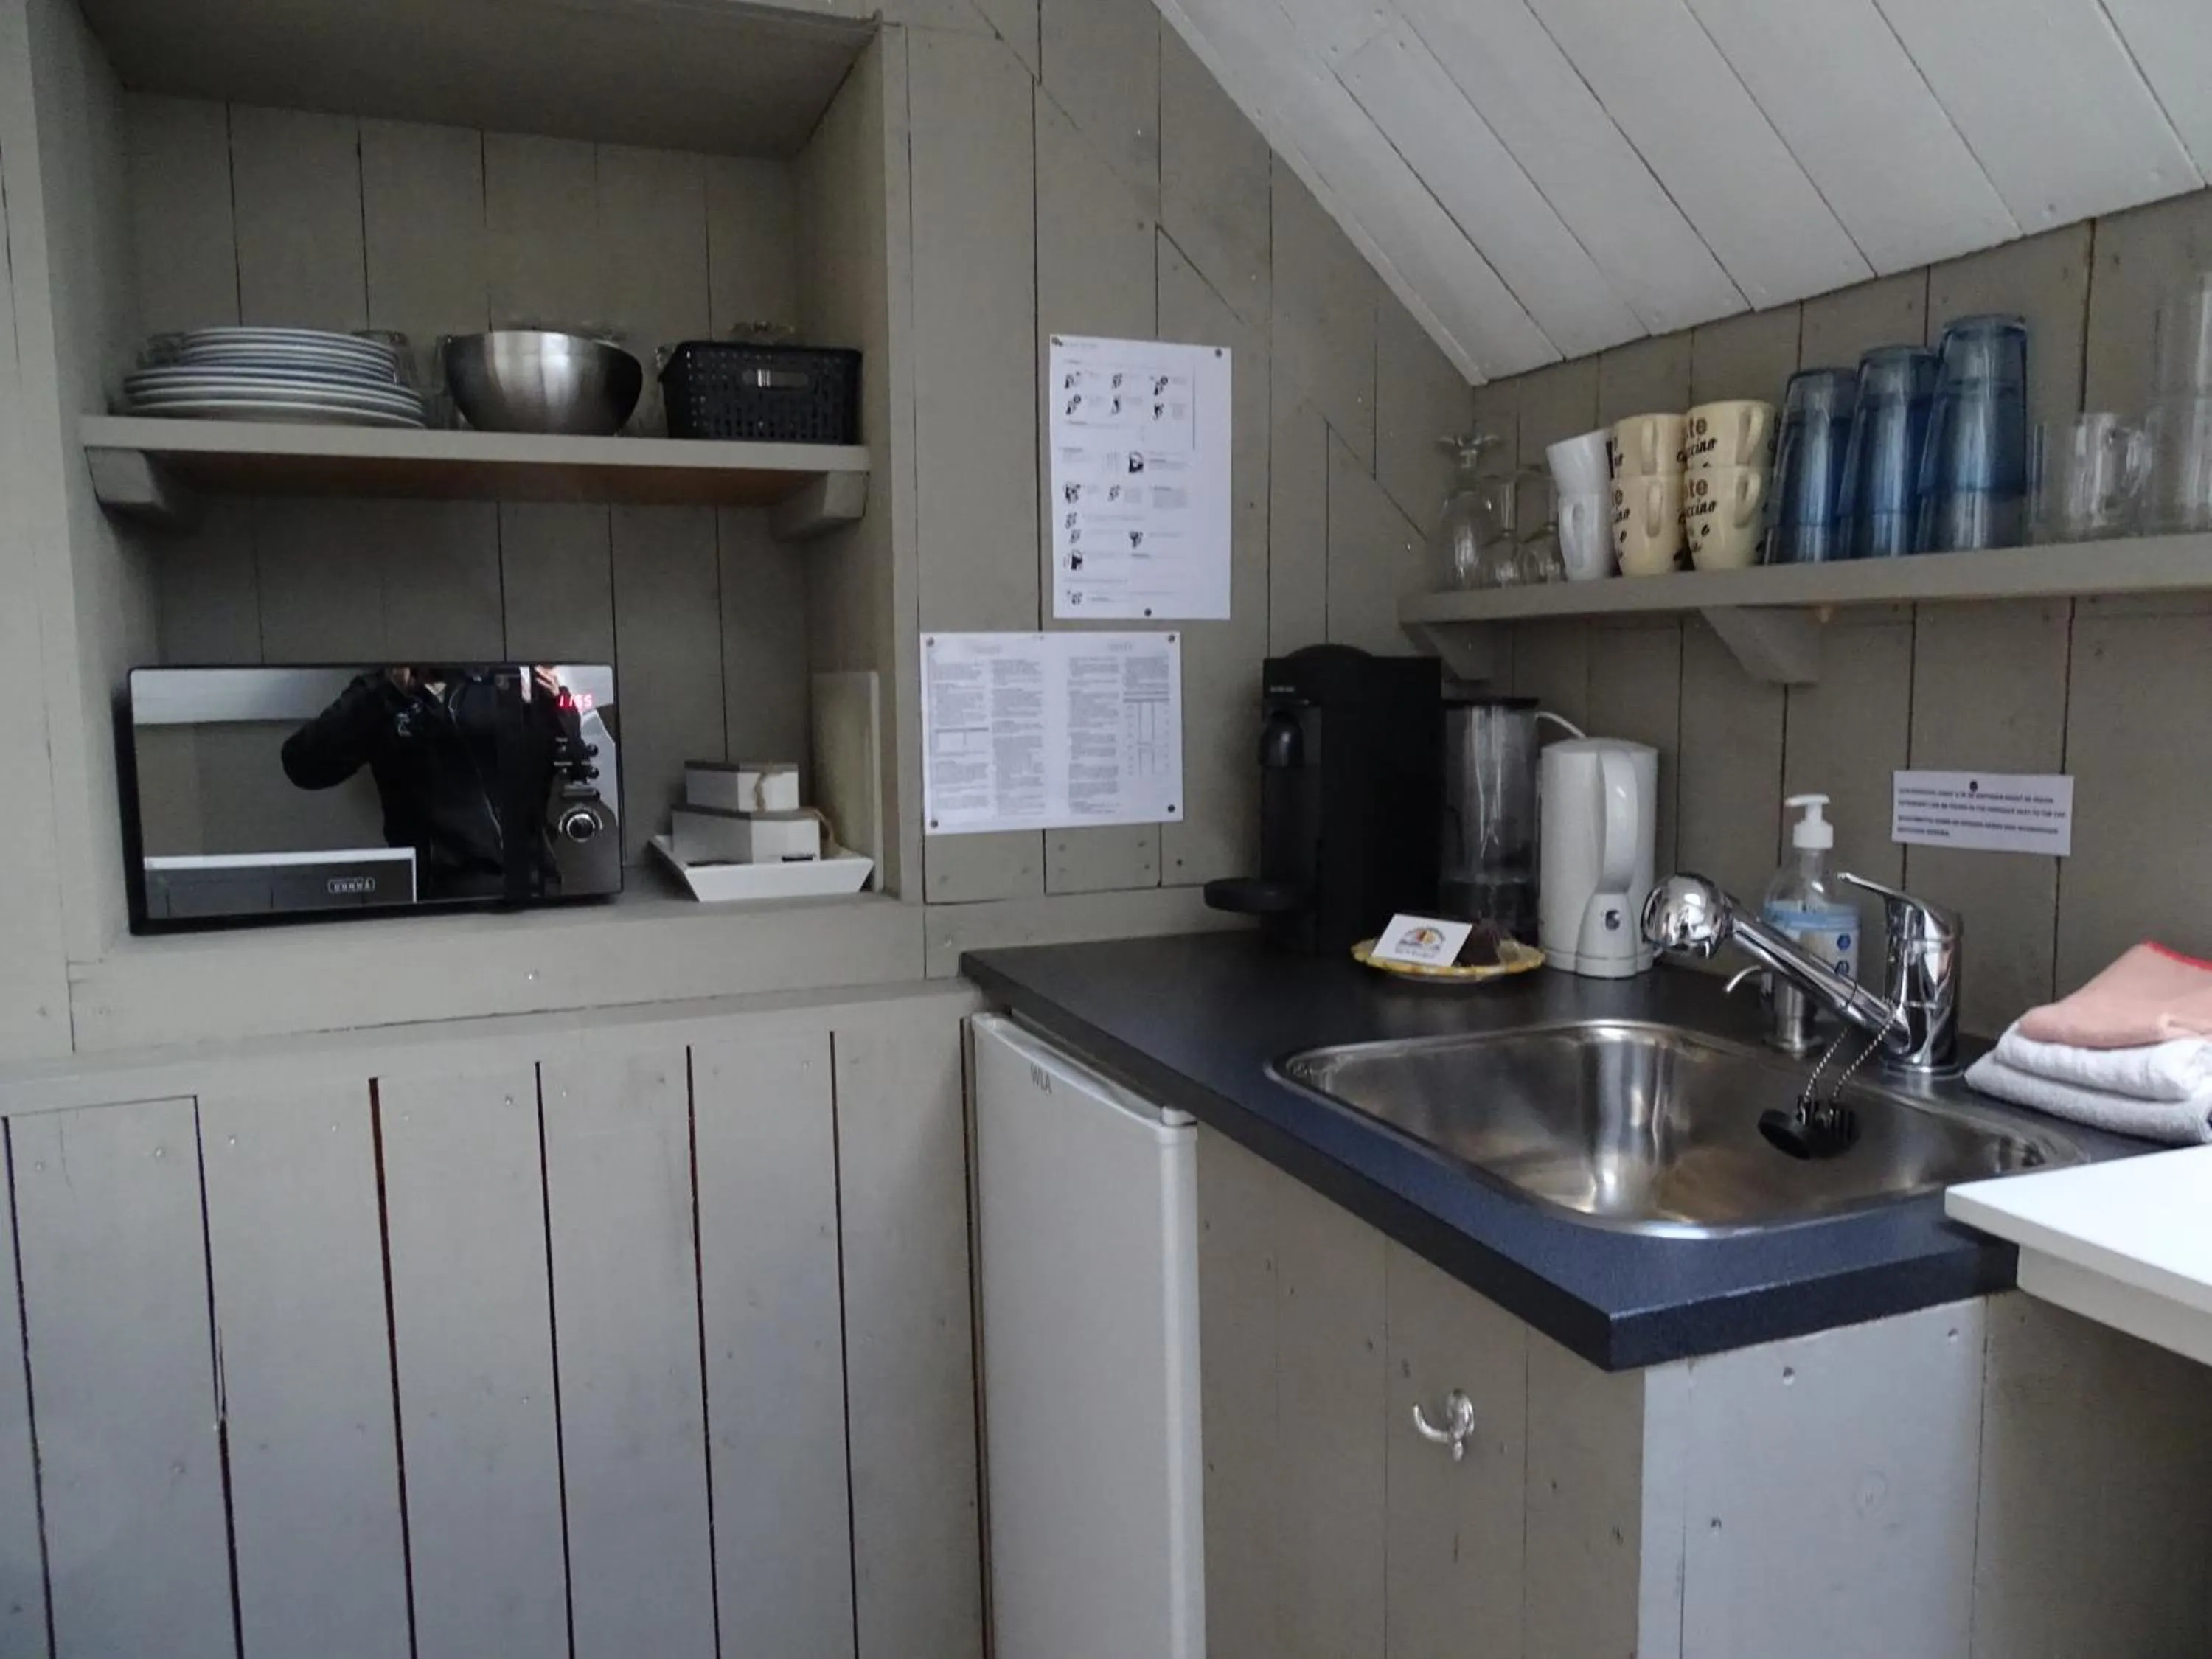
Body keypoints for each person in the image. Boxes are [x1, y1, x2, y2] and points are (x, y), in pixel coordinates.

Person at [281, 664, 572, 902]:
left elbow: (567, 765)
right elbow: (303, 766)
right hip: (433, 893)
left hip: (530, 885)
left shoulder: (506, 682)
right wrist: (387, 694)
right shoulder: (379, 691)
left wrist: (552, 707)